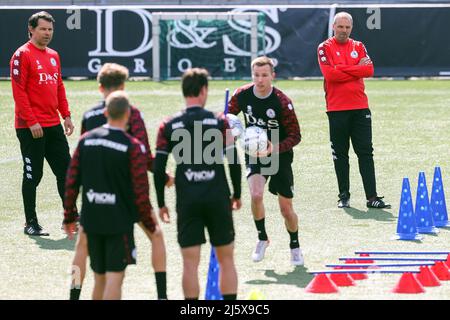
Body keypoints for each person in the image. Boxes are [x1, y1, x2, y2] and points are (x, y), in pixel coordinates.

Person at [68, 63, 172, 300]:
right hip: (127, 197)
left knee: (81, 248)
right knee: (156, 236)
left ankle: (73, 294)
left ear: (100, 87)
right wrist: (164, 176)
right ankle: (162, 294)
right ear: (124, 86)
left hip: (95, 196)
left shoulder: (90, 116)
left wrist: (72, 207)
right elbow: (144, 156)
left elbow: (80, 160)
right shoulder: (132, 113)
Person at [153, 68, 242, 300]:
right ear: (203, 91)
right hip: (217, 196)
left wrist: (161, 203)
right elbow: (234, 161)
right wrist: (237, 193)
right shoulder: (220, 121)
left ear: (184, 92)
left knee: (190, 264)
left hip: (187, 198)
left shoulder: (168, 124)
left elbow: (158, 168)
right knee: (226, 260)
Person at [228, 56, 304, 266]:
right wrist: (229, 129)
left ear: (272, 76)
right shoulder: (241, 95)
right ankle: (262, 238)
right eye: (256, 75)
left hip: (279, 155)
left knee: (286, 209)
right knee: (256, 194)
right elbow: (228, 118)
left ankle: (295, 245)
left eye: (264, 75)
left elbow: (296, 135)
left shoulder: (282, 101)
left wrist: (274, 147)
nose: (260, 80)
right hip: (254, 153)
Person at [10, 11, 76, 236]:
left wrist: (65, 115)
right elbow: (19, 93)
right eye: (43, 29)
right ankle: (31, 223)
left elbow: (58, 87)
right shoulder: (22, 55)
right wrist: (31, 121)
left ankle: (70, 218)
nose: (47, 33)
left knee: (66, 172)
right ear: (31, 29)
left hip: (53, 125)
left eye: (50, 29)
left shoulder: (53, 55)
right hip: (30, 128)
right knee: (33, 175)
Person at [317, 12, 391, 209]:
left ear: (351, 28)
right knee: (340, 155)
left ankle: (372, 197)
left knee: (366, 153)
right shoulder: (324, 47)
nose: (343, 31)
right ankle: (344, 196)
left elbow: (369, 70)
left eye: (347, 27)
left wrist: (342, 67)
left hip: (360, 108)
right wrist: (354, 67)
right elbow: (329, 75)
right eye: (340, 27)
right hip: (336, 109)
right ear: (333, 27)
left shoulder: (359, 46)